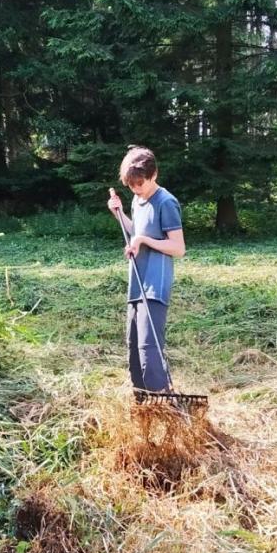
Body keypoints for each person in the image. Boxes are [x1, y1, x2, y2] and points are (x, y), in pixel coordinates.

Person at [107, 146, 185, 393]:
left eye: (140, 183)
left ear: (154, 175)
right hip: (136, 282)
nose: (136, 189)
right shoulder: (137, 199)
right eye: (131, 185)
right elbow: (136, 232)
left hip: (155, 284)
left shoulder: (166, 202)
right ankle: (142, 402)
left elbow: (178, 247)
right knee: (133, 348)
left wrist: (142, 241)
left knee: (148, 349)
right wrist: (118, 214)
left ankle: (164, 403)